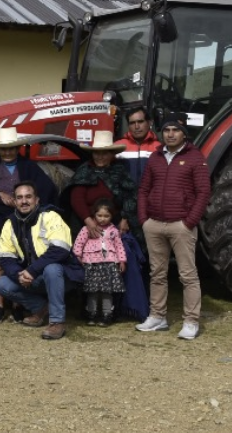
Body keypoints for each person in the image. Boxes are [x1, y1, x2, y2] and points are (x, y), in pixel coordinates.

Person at [0, 126, 57, 322]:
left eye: (11, 148)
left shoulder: (28, 167)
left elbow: (46, 188)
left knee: (20, 265)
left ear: (17, 149)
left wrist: (24, 204)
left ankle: (18, 305)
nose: (7, 152)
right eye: (4, 149)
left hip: (22, 224)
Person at [136, 117, 211, 340]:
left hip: (181, 225)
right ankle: (158, 316)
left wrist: (189, 222)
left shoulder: (195, 158)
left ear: (183, 134)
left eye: (175, 130)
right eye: (166, 130)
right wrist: (144, 219)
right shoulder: (155, 158)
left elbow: (203, 193)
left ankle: (191, 321)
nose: (170, 134)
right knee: (157, 274)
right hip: (155, 224)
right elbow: (143, 189)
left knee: (188, 275)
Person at [0, 181, 81, 340]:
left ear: (37, 200)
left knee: (52, 268)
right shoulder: (9, 223)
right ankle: (41, 309)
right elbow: (5, 258)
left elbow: (60, 250)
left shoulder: (50, 217)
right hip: (32, 277)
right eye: (19, 198)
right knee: (2, 284)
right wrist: (20, 275)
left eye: (28, 197)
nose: (24, 201)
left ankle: (57, 322)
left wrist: (31, 271)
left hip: (63, 276)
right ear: (14, 201)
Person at [73, 199, 126, 327]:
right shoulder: (87, 229)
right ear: (94, 215)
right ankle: (92, 314)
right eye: (99, 215)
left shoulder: (113, 230)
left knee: (107, 292)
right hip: (92, 264)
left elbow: (119, 246)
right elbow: (79, 242)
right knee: (93, 291)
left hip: (109, 264)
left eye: (106, 216)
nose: (103, 219)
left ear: (112, 216)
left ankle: (107, 315)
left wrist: (122, 260)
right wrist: (78, 255)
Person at [116, 106, 160, 183]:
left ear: (149, 122)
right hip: (125, 194)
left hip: (150, 194)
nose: (136, 126)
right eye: (132, 123)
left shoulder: (159, 148)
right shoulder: (117, 147)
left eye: (140, 122)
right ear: (128, 126)